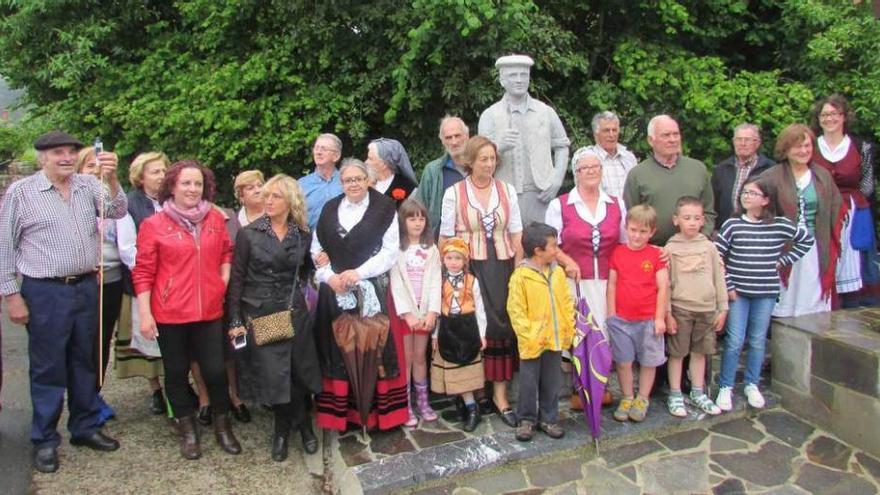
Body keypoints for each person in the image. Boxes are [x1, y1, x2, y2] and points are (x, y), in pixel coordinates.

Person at [0, 130, 124, 473]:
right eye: (58, 153)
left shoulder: (87, 186)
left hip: (86, 286)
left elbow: (117, 209)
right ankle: (44, 439)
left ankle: (84, 426)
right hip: (45, 291)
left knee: (84, 359)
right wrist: (11, 296)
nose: (67, 158)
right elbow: (4, 247)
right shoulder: (22, 193)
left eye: (71, 151)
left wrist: (112, 178)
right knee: (47, 366)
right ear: (43, 158)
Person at [132, 160, 241, 460]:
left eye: (198, 184)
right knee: (177, 372)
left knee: (216, 371)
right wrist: (145, 313)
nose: (193, 189)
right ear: (172, 186)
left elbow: (226, 250)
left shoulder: (214, 219)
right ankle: (188, 429)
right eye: (186, 183)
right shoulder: (153, 225)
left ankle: (222, 426)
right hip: (170, 313)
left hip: (209, 310)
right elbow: (142, 272)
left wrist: (223, 277)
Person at [226, 174, 322, 461]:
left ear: (290, 201)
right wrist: (234, 319)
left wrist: (324, 262)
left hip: (294, 311)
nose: (267, 201)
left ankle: (301, 426)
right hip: (261, 313)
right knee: (275, 374)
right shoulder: (249, 233)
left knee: (297, 372)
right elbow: (237, 279)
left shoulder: (302, 234)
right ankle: (287, 429)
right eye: (265, 195)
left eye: (275, 196)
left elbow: (307, 270)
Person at [311, 158, 408, 431]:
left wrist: (358, 273)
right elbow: (316, 250)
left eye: (357, 179)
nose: (352, 184)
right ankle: (345, 416)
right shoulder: (330, 209)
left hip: (371, 291)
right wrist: (330, 277)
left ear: (368, 180)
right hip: (336, 291)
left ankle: (380, 417)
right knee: (338, 351)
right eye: (347, 180)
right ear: (341, 183)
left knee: (374, 349)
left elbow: (390, 252)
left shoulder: (385, 208)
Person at [440, 135, 524, 428]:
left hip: (501, 265)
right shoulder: (454, 193)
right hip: (469, 267)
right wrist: (450, 275)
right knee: (471, 325)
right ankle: (472, 394)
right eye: (483, 159)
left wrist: (518, 272)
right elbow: (446, 237)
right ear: (470, 162)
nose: (489, 164)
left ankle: (500, 396)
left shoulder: (507, 190)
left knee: (501, 325)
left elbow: (516, 234)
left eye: (492, 159)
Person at [715, 177, 813, 410]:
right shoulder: (732, 225)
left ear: (766, 199)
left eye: (753, 193)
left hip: (766, 293)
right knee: (735, 340)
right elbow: (717, 256)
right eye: (745, 192)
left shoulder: (779, 225)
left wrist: (783, 260)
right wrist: (728, 284)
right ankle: (725, 386)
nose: (746, 196)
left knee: (758, 340)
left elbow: (806, 240)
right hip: (738, 294)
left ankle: (751, 384)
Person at [544, 147, 624, 409]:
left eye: (595, 167)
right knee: (580, 335)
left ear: (601, 171)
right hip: (574, 282)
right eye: (584, 168)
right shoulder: (561, 205)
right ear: (576, 173)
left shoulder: (616, 203)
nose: (590, 172)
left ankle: (601, 386)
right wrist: (568, 262)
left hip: (608, 283)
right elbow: (550, 245)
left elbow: (626, 242)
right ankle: (581, 390)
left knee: (604, 335)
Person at [75, 147, 138, 425]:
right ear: (78, 172)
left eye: (99, 167)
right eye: (89, 167)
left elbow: (123, 226)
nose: (95, 173)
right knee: (81, 343)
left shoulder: (110, 199)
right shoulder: (73, 201)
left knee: (101, 342)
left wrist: (111, 179)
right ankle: (81, 397)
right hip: (83, 279)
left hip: (111, 280)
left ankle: (94, 395)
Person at [478, 54, 570, 226]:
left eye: (524, 75)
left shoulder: (545, 112)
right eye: (513, 75)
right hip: (502, 193)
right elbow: (479, 157)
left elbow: (562, 146)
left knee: (542, 246)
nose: (519, 80)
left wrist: (557, 180)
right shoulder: (490, 115)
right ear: (502, 80)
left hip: (541, 193)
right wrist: (499, 146)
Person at [761, 124, 843, 317]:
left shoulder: (822, 176)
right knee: (786, 297)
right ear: (785, 149)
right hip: (782, 248)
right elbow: (759, 211)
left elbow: (836, 209)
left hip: (815, 246)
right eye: (798, 146)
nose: (804, 151)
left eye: (807, 146)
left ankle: (811, 338)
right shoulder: (770, 177)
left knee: (811, 297)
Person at [507, 223, 574, 442]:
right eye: (553, 246)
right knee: (528, 382)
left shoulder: (558, 274)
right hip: (532, 342)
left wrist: (568, 328)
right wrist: (527, 336)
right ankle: (526, 419)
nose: (557, 250)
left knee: (551, 381)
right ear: (538, 250)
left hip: (554, 339)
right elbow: (516, 310)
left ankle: (549, 418)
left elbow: (565, 302)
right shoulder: (521, 277)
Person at [811, 94, 879, 307]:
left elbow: (867, 185)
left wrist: (848, 204)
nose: (829, 119)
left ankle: (856, 314)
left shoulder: (861, 146)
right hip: (819, 213)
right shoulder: (810, 145)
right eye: (824, 114)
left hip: (854, 212)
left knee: (857, 264)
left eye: (834, 114)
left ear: (844, 117)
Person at [664, 197, 728, 417]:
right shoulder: (670, 248)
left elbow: (719, 278)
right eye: (687, 218)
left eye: (697, 218)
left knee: (700, 352)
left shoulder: (709, 247)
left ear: (703, 221)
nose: (692, 222)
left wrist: (723, 308)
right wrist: (667, 313)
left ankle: (698, 392)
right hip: (681, 308)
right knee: (677, 353)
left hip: (707, 309)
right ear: (676, 220)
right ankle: (674, 393)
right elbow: (666, 284)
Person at [606, 205, 668, 423]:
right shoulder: (618, 252)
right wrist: (611, 313)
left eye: (643, 231)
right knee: (623, 361)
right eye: (633, 230)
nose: (637, 235)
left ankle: (642, 398)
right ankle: (627, 396)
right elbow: (612, 284)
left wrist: (660, 318)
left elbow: (663, 288)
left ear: (652, 232)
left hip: (648, 319)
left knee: (648, 361)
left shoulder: (656, 255)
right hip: (621, 320)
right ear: (626, 228)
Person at [119, 151, 168, 415]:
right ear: (141, 177)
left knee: (171, 338)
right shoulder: (129, 204)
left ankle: (176, 385)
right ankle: (155, 389)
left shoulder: (172, 201)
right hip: (144, 283)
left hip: (172, 284)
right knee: (149, 338)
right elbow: (128, 250)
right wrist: (155, 270)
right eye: (154, 172)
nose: (161, 176)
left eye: (163, 171)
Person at [623, 115, 715, 246]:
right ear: (651, 140)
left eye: (676, 134)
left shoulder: (698, 169)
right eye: (666, 135)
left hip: (693, 251)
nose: (672, 139)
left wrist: (702, 238)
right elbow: (632, 217)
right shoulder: (637, 175)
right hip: (654, 253)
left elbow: (709, 211)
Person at [389, 198, 441, 426]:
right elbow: (396, 283)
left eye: (421, 218)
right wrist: (407, 314)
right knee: (406, 357)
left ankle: (423, 401)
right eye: (412, 218)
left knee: (420, 356)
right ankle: (406, 405)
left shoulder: (431, 249)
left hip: (424, 312)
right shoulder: (396, 250)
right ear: (403, 221)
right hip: (405, 315)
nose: (417, 223)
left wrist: (431, 313)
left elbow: (435, 281)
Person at [431, 237, 486, 432]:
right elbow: (437, 310)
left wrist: (482, 334)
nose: (453, 262)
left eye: (457, 258)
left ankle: (471, 408)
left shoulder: (472, 281)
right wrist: (435, 336)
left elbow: (480, 309)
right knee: (454, 372)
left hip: (467, 329)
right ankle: (465, 405)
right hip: (447, 330)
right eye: (449, 258)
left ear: (465, 261)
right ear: (444, 260)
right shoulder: (440, 282)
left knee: (465, 373)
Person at [711, 123, 777, 229]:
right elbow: (714, 204)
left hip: (761, 230)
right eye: (738, 139)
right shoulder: (722, 169)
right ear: (733, 142)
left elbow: (775, 203)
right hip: (727, 230)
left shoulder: (770, 169)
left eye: (747, 140)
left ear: (757, 143)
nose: (742, 143)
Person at [418, 116, 470, 237]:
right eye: (448, 137)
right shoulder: (432, 171)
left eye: (457, 136)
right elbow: (419, 208)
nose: (454, 142)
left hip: (477, 240)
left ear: (467, 136)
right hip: (444, 242)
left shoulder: (479, 166)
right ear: (442, 141)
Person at [582, 111, 638, 197]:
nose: (612, 135)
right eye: (606, 131)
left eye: (614, 130)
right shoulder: (588, 160)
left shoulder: (629, 158)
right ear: (596, 135)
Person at [300, 133, 343, 231]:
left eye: (323, 149)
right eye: (316, 148)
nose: (318, 152)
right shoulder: (301, 185)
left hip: (342, 242)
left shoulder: (346, 182)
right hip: (309, 242)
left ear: (336, 156)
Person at [366, 138, 418, 208]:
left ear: (384, 164)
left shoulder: (408, 189)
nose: (366, 162)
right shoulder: (362, 182)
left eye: (370, 159)